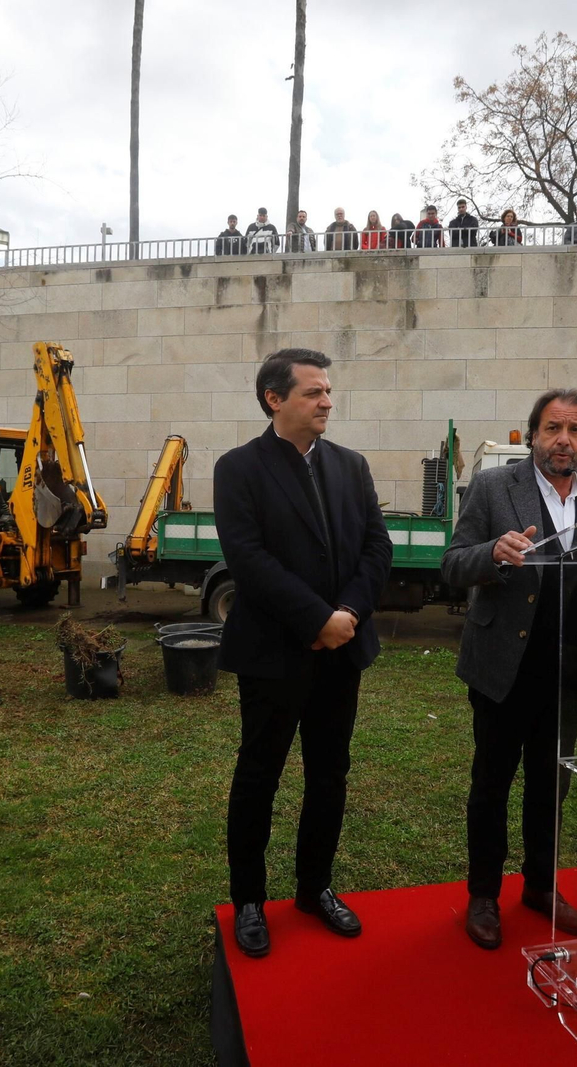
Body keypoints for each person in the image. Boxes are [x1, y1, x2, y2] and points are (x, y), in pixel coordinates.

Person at [215, 348, 394, 960]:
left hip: (341, 654)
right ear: (275, 398)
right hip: (273, 655)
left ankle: (315, 889)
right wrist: (315, 619)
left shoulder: (351, 465)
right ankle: (248, 901)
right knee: (259, 776)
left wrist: (345, 616)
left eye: (327, 391)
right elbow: (248, 559)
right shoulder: (238, 468)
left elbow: (377, 547)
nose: (327, 401)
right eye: (314, 392)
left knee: (329, 776)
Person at [440, 389, 577, 950]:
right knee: (491, 786)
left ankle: (541, 886)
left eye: (576, 430)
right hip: (502, 669)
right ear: (534, 435)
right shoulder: (495, 487)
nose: (563, 440)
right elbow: (452, 565)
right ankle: (484, 896)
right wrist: (493, 552)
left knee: (552, 786)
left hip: (569, 676)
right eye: (552, 429)